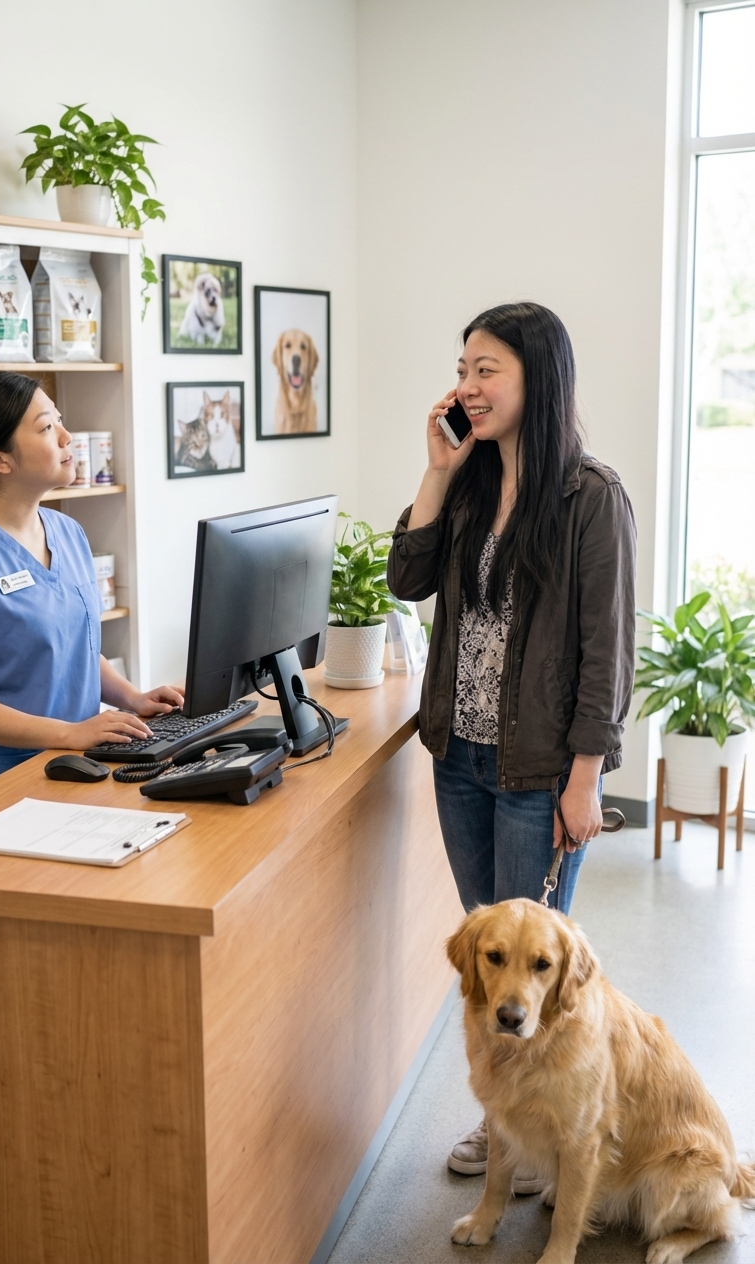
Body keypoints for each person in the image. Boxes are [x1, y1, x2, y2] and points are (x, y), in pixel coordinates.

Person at [387, 302, 636, 1184]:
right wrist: (435, 471)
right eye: (463, 367)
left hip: (539, 772)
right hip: (460, 757)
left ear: (538, 375)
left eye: (486, 368)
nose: (467, 385)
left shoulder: (589, 497)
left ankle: (540, 1140)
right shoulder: (465, 481)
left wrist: (583, 779)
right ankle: (507, 1125)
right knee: (495, 970)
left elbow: (606, 652)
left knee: (543, 976)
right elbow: (404, 577)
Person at [0, 372, 183, 808]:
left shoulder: (68, 532)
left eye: (59, 420)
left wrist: (132, 697)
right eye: (45, 428)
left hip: (74, 770)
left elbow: (72, 649)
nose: (66, 436)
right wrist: (71, 732)